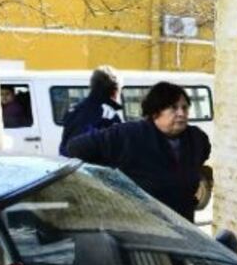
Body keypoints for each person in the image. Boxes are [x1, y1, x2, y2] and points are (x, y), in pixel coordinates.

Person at [67, 81, 211, 221]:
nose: (181, 113)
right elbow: (77, 148)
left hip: (184, 226)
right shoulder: (130, 134)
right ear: (155, 112)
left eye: (185, 108)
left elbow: (202, 156)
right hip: (141, 226)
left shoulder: (197, 138)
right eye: (173, 108)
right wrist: (109, 177)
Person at [59, 66, 124, 156]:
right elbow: (118, 148)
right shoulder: (109, 115)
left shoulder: (73, 110)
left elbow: (64, 145)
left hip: (68, 165)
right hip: (94, 167)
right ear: (115, 91)